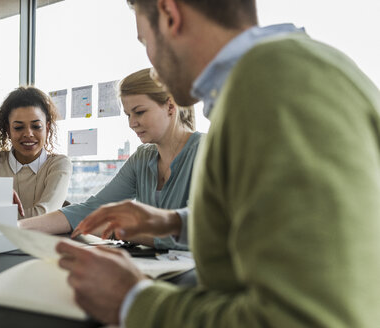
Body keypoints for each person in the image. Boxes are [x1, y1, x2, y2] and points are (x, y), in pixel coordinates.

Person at [56, 0, 380, 327]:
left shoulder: (272, 86)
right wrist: (176, 224)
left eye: (145, 42)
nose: (151, 63)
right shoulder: (300, 68)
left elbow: (303, 319)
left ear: (170, 14)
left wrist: (132, 300)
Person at [19, 68, 200, 250]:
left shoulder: (205, 151)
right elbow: (92, 208)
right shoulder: (142, 158)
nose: (132, 123)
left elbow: (200, 230)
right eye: (128, 115)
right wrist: (19, 228)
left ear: (170, 106)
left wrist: (121, 231)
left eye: (140, 112)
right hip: (156, 268)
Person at [0, 86, 72, 219]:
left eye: (36, 126)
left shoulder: (59, 165)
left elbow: (44, 217)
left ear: (47, 127)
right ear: (8, 130)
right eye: (18, 127)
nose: (28, 134)